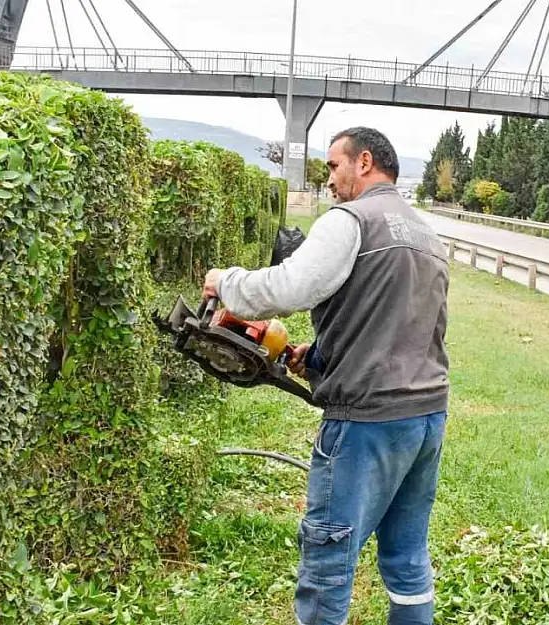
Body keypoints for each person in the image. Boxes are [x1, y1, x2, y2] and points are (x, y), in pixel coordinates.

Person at [202, 127, 450, 625]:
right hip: (425, 416)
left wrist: (225, 281)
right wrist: (317, 356)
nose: (329, 178)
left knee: (329, 555)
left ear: (363, 162)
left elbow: (290, 286)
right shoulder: (426, 234)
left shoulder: (350, 220)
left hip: (367, 420)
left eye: (334, 166)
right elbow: (397, 322)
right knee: (406, 556)